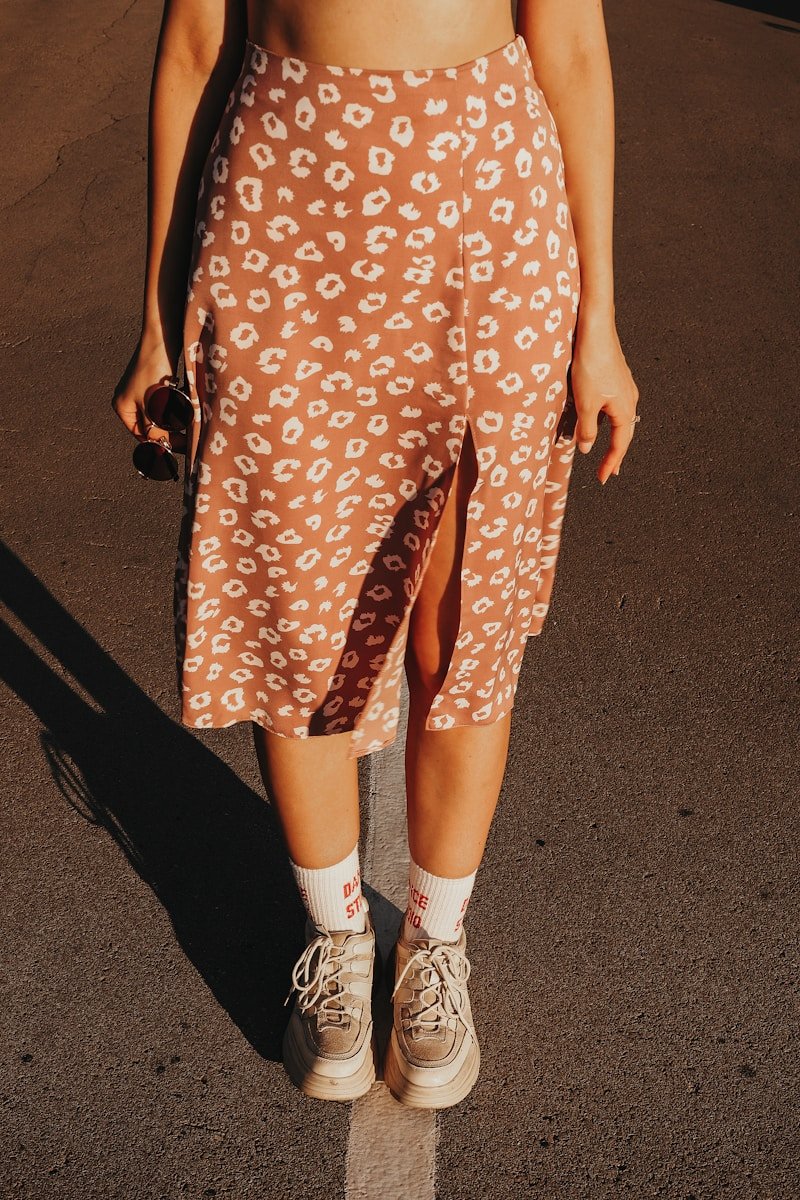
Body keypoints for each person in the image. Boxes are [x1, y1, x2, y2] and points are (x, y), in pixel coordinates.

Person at [111, 0, 639, 1109]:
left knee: (460, 627)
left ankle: (435, 946)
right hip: (278, 220)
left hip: (486, 215)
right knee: (295, 616)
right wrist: (159, 318)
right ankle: (339, 937)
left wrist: (598, 323)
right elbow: (197, 49)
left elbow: (574, 52)